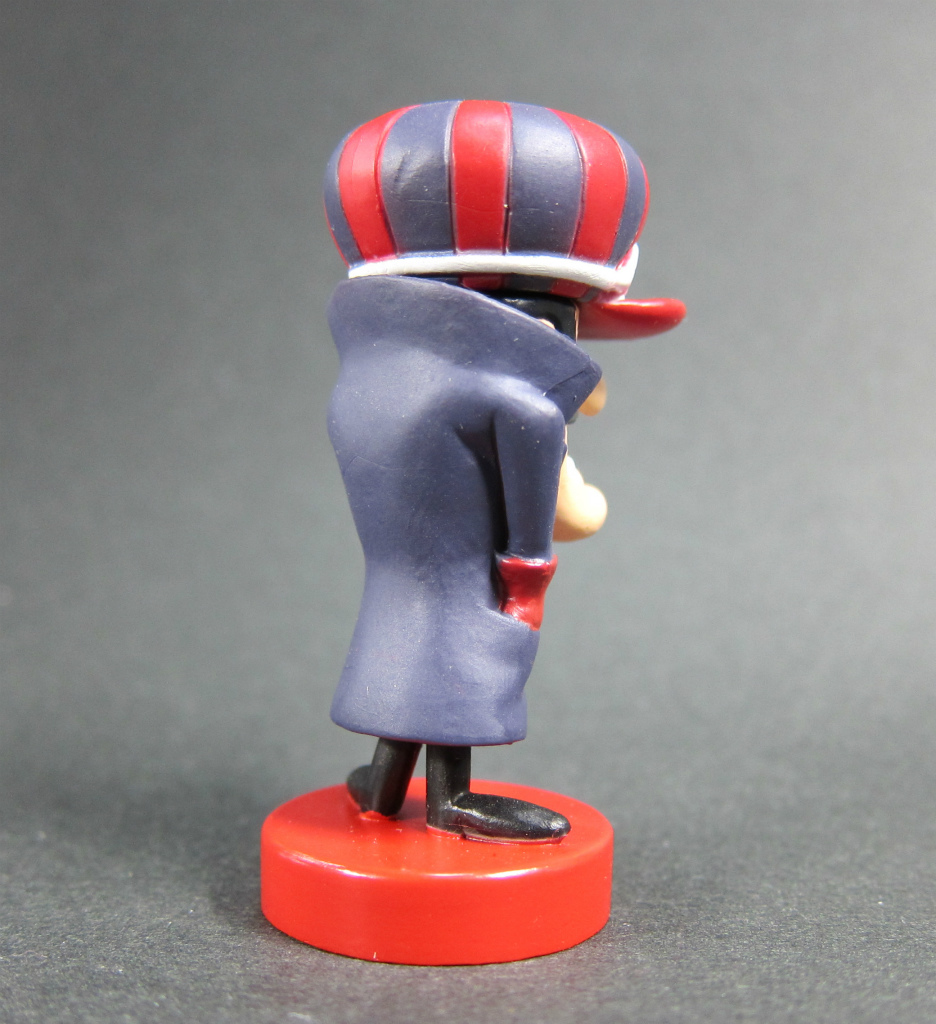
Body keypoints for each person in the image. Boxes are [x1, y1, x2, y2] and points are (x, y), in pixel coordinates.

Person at [323, 100, 684, 843]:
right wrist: (527, 582)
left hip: (402, 560)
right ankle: (451, 799)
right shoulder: (521, 404)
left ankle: (384, 785)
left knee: (405, 635)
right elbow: (548, 518)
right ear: (542, 327)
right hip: (477, 571)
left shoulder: (367, 377)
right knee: (458, 657)